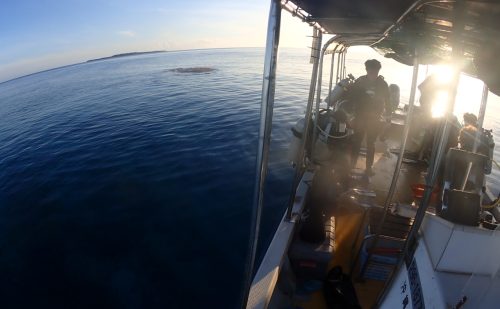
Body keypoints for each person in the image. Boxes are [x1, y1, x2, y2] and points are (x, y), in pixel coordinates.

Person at [349, 59, 390, 175]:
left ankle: (368, 168)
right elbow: (352, 98)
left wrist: (388, 117)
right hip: (360, 116)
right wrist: (350, 115)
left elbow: (388, 100)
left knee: (370, 144)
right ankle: (352, 165)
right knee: (357, 141)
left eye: (376, 71)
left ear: (378, 71)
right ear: (367, 70)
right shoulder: (360, 81)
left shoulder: (382, 84)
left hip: (375, 118)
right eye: (371, 71)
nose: (374, 74)